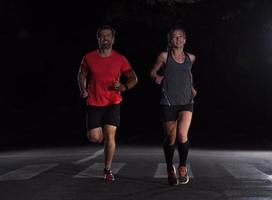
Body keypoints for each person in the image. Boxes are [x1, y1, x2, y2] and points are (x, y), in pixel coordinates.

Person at [78, 25, 138, 181]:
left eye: (108, 36)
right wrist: (82, 88)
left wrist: (124, 86)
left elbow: (133, 78)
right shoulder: (89, 57)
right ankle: (97, 135)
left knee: (110, 136)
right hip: (94, 101)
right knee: (95, 138)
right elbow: (82, 74)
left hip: (113, 101)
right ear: (98, 39)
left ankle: (107, 170)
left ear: (113, 39)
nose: (105, 38)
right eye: (102, 36)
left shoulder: (120, 58)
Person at [150, 26, 196, 186]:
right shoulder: (164, 56)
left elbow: (189, 73)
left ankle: (182, 167)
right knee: (171, 138)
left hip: (186, 101)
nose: (178, 39)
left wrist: (192, 87)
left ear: (185, 39)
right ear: (170, 40)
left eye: (181, 36)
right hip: (168, 103)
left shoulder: (191, 57)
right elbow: (152, 72)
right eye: (175, 37)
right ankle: (170, 168)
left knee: (182, 135)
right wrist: (157, 76)